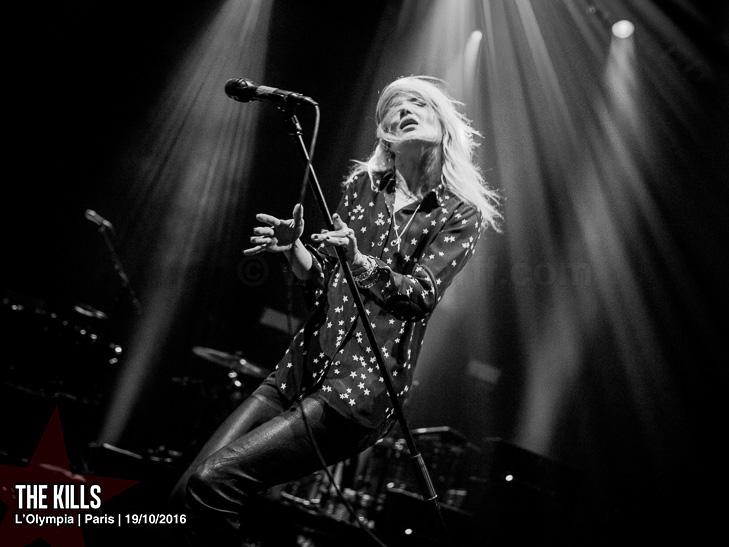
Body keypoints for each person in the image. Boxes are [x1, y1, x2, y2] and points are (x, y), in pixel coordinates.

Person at [168, 75, 502, 546]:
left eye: (417, 102)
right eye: (394, 107)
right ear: (385, 134)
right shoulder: (363, 186)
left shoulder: (459, 212)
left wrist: (361, 262)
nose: (405, 109)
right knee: (184, 494)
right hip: (300, 367)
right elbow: (327, 282)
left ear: (443, 121)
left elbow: (420, 295)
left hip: (355, 394)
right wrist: (297, 252)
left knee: (215, 482)